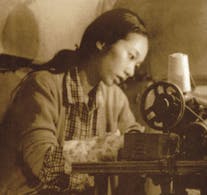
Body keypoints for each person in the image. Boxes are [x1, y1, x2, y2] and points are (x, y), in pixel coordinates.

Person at [0, 8, 149, 195]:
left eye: (137, 65)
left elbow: (133, 137)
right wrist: (112, 146)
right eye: (131, 56)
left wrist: (142, 142)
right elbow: (44, 165)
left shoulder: (115, 98)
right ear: (102, 42)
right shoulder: (42, 86)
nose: (131, 71)